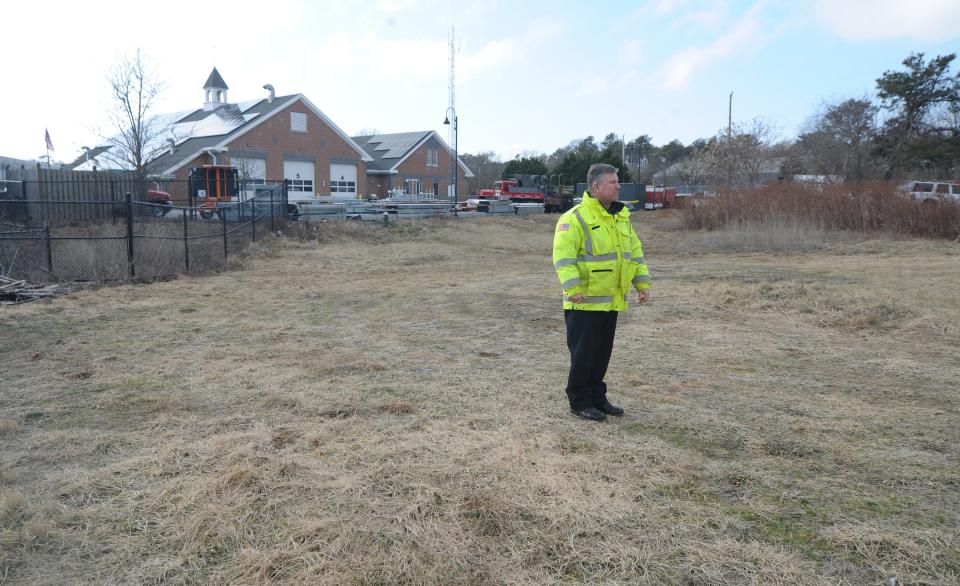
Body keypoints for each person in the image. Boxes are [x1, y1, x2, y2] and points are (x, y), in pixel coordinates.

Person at [552, 163, 650, 421]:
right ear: (596, 188)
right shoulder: (574, 218)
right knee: (583, 355)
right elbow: (564, 257)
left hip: (611, 301)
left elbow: (634, 253)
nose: (618, 186)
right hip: (583, 302)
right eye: (612, 182)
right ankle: (579, 401)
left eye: (617, 181)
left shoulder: (621, 218)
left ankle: (597, 397)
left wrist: (641, 283)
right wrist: (572, 288)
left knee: (601, 355)